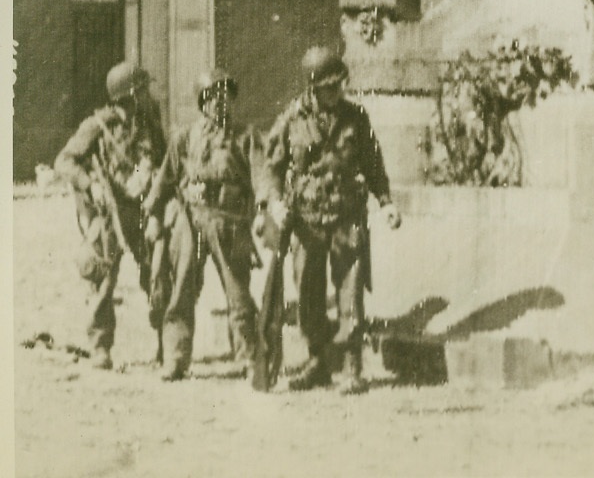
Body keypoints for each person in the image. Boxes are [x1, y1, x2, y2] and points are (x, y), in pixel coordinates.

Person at [260, 46, 401, 393]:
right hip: (306, 221)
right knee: (308, 292)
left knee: (350, 293)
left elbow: (373, 164)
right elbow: (272, 165)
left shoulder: (356, 117)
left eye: (339, 85)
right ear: (313, 86)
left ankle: (353, 367)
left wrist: (385, 201)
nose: (336, 92)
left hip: (347, 216)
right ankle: (317, 362)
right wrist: (273, 201)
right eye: (328, 87)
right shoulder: (292, 119)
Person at [144, 67, 259, 382]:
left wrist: (263, 217)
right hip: (190, 220)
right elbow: (166, 180)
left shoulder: (245, 136)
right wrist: (153, 215)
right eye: (212, 96)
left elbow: (260, 180)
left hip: (228, 221)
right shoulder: (184, 137)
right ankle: (176, 358)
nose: (220, 102)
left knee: (238, 292)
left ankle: (249, 358)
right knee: (181, 290)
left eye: (225, 96)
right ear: (201, 102)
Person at [55, 61, 167, 370]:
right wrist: (90, 185)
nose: (148, 95)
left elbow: (165, 160)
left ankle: (166, 344)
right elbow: (64, 161)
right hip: (110, 215)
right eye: (143, 90)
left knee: (158, 275)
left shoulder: (149, 123)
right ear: (129, 94)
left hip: (143, 211)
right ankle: (101, 347)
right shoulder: (98, 125)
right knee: (102, 279)